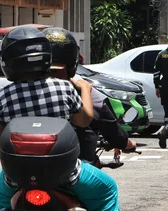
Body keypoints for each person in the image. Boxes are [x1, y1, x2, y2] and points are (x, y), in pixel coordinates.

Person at [0, 27, 119, 211]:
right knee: (107, 192)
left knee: (1, 205)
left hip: (16, 176)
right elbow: (84, 120)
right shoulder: (63, 88)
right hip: (66, 174)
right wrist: (85, 89)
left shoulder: (3, 96)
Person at [43, 27, 137, 166]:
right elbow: (106, 128)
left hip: (21, 174)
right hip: (74, 171)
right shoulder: (81, 91)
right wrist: (126, 143)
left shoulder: (17, 91)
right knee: (109, 188)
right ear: (73, 65)